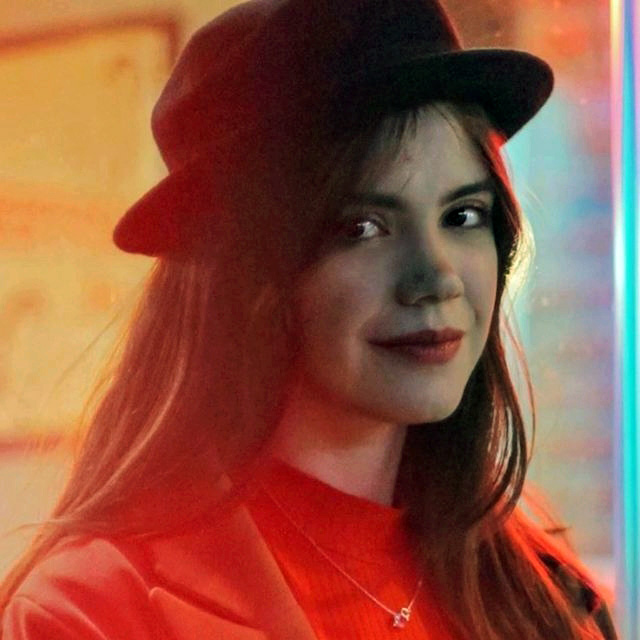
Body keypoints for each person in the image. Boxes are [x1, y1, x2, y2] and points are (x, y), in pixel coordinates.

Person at [0, 0, 618, 638]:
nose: (437, 279)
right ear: (246, 272)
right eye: (363, 227)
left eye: (462, 215)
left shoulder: (537, 584)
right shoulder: (92, 610)